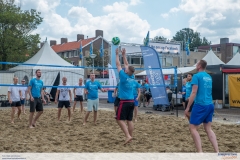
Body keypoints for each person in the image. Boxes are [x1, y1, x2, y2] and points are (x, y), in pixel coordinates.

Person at [184, 60, 219, 152]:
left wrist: (188, 107)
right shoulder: (208, 76)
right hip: (209, 104)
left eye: (197, 63)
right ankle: (217, 152)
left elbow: (194, 92)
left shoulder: (196, 76)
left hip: (200, 104)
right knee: (208, 129)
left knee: (193, 128)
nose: (196, 65)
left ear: (199, 66)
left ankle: (200, 153)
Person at [115, 47, 135, 145]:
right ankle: (130, 137)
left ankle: (127, 136)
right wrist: (123, 55)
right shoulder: (132, 76)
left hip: (124, 102)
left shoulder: (123, 76)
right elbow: (127, 64)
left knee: (119, 119)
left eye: (126, 69)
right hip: (131, 101)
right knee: (129, 120)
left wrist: (116, 55)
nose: (125, 68)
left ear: (127, 71)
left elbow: (118, 64)